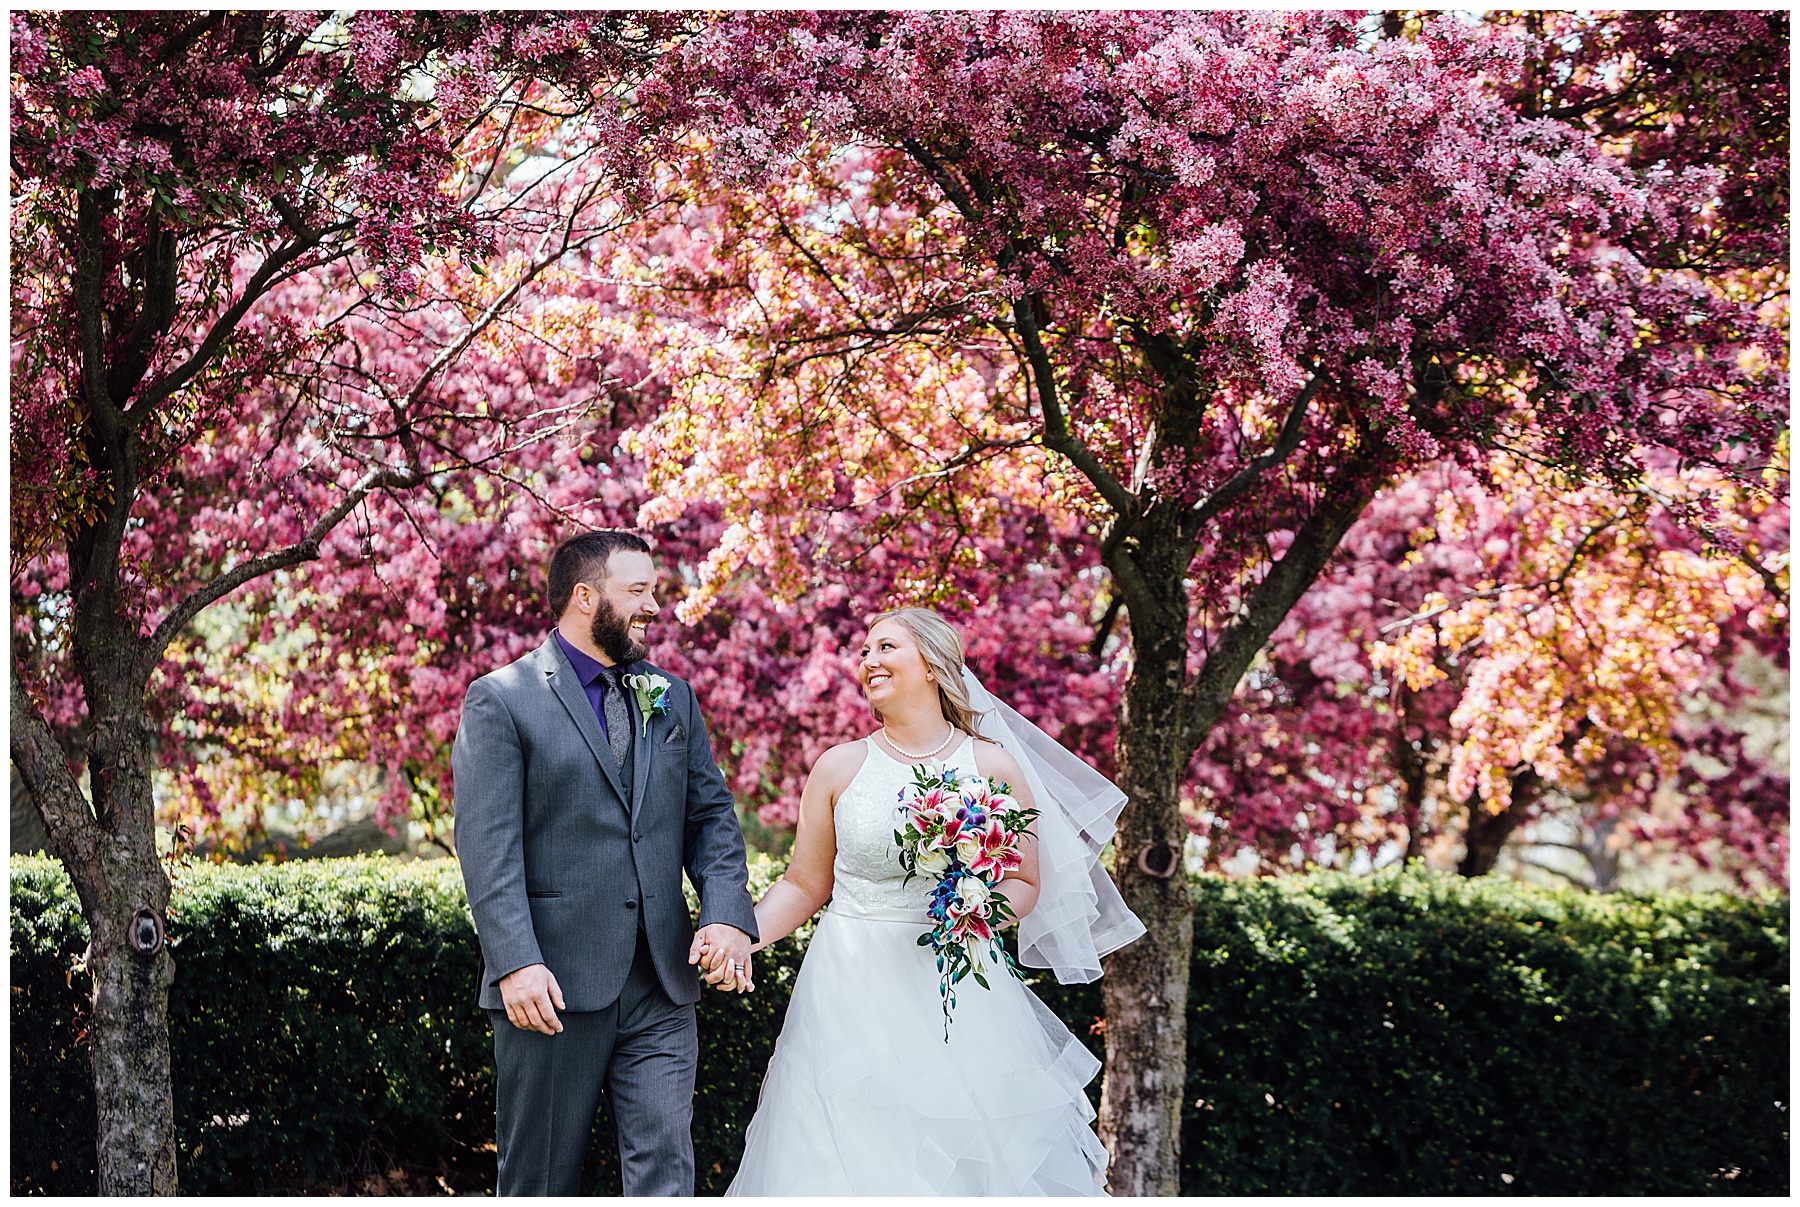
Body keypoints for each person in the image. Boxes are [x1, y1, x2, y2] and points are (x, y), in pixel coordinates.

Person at [716, 607, 1145, 1195]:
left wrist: (977, 911)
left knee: (960, 1158)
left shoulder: (991, 765)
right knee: (835, 1147)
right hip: (846, 988)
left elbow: (1022, 880)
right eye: (864, 652)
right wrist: (742, 935)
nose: (868, 661)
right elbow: (802, 885)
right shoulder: (840, 767)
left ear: (933, 665)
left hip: (954, 988)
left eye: (885, 647)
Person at [452, 529, 758, 1197]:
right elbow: (487, 846)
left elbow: (709, 818)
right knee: (539, 1179)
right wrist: (515, 961)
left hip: (662, 982)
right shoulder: (502, 698)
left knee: (665, 1173)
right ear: (585, 596)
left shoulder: (671, 696)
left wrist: (729, 914)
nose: (654, 606)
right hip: (550, 985)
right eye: (638, 590)